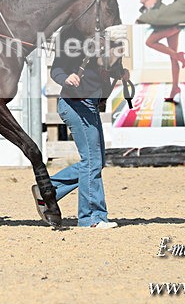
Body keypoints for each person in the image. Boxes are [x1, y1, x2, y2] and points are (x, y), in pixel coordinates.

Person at [36, 26, 127, 228]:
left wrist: (120, 73)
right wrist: (65, 78)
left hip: (87, 106)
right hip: (76, 105)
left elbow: (107, 73)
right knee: (92, 161)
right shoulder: (75, 46)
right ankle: (92, 218)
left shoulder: (103, 54)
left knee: (96, 161)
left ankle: (48, 190)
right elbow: (57, 69)